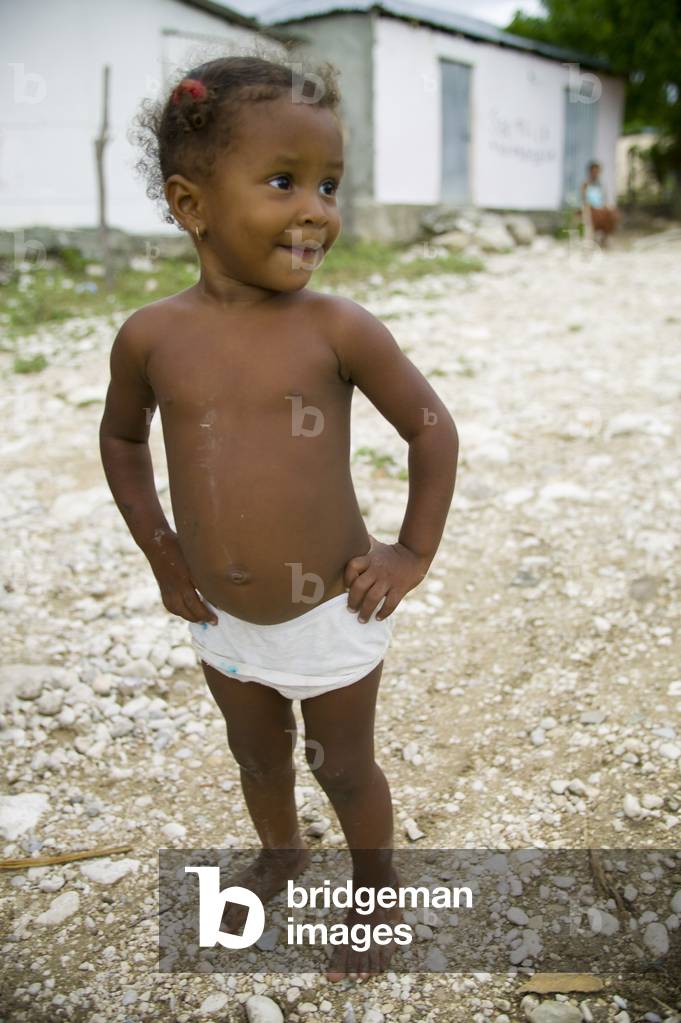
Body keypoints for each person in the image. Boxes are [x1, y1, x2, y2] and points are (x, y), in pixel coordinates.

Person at [99, 54, 458, 982]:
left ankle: (374, 894)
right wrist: (162, 554)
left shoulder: (336, 328)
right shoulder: (151, 337)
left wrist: (410, 551)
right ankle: (282, 852)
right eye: (283, 182)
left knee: (343, 766)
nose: (316, 210)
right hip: (218, 615)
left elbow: (431, 430)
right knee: (256, 755)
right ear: (190, 205)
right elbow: (123, 441)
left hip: (330, 608)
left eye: (328, 185)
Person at [580, 160, 620, 246]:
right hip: (591, 210)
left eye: (597, 171)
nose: (595, 173)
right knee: (597, 215)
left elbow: (604, 200)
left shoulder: (601, 185)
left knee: (612, 214)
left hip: (601, 209)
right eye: (594, 171)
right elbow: (584, 200)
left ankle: (605, 238)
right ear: (590, 172)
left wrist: (606, 207)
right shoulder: (585, 184)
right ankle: (595, 238)